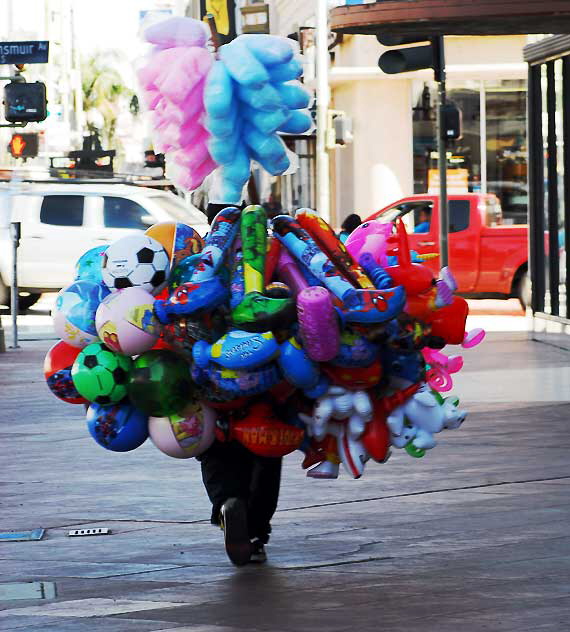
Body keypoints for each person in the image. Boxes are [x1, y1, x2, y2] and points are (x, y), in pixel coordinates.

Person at [197, 202, 283, 567]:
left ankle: (226, 505)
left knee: (214, 448)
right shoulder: (270, 257)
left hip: (211, 375)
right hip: (261, 372)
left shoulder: (198, 264)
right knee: (265, 452)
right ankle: (255, 529)